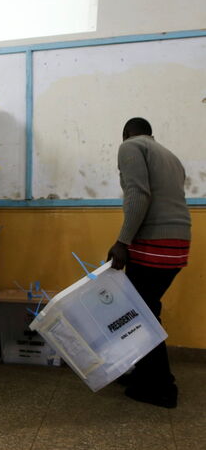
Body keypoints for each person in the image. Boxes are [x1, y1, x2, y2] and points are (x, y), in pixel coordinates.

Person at [107, 117, 191, 409]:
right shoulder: (169, 156)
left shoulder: (130, 146)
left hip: (154, 243)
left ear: (126, 131)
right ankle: (144, 375)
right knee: (146, 308)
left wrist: (123, 241)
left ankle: (161, 388)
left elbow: (138, 194)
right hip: (177, 242)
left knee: (140, 314)